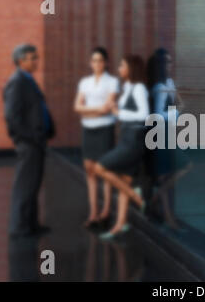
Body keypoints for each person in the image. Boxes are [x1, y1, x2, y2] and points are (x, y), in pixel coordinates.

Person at [93, 55, 148, 239]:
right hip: (126, 137)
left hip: (133, 140)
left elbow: (143, 114)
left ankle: (136, 196)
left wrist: (119, 112)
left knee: (100, 167)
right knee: (123, 181)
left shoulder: (139, 88)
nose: (119, 68)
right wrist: (116, 108)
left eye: (122, 65)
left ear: (131, 67)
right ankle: (119, 226)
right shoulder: (128, 87)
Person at [3, 44, 55, 237]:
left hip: (37, 141)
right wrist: (30, 137)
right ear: (20, 61)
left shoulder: (28, 80)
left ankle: (31, 224)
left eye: (36, 57)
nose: (36, 61)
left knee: (33, 184)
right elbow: (12, 117)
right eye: (32, 58)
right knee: (25, 185)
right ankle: (19, 227)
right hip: (29, 142)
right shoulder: (17, 82)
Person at [147, 48, 192, 229]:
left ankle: (166, 214)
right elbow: (158, 114)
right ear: (159, 65)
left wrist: (176, 109)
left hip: (168, 132)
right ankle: (162, 208)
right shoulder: (159, 86)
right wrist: (175, 113)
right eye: (165, 62)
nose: (169, 65)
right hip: (159, 132)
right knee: (184, 166)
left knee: (166, 175)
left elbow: (179, 103)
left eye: (170, 61)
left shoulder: (169, 83)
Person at [74, 47, 119, 228]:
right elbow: (77, 107)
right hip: (88, 130)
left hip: (105, 130)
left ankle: (106, 211)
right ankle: (93, 212)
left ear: (106, 62)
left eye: (100, 60)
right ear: (90, 63)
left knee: (105, 170)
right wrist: (95, 111)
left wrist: (88, 111)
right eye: (94, 60)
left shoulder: (112, 81)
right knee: (90, 170)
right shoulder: (85, 82)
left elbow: (107, 108)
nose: (97, 63)